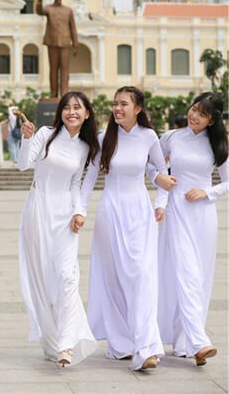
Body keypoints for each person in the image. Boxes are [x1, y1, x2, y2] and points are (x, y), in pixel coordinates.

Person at [79, 86, 172, 371]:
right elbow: (89, 177)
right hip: (111, 211)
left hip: (140, 212)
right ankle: (121, 344)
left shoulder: (148, 137)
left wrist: (162, 201)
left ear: (138, 108)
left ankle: (146, 347)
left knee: (141, 276)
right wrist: (80, 210)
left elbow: (159, 171)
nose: (117, 108)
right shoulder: (104, 137)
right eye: (115, 104)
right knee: (114, 277)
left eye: (124, 104)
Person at [16, 91, 99, 367]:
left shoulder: (85, 147)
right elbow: (23, 164)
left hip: (64, 215)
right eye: (67, 107)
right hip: (38, 210)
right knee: (42, 277)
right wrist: (27, 138)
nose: (71, 112)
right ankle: (52, 342)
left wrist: (79, 211)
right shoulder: (45, 133)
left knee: (67, 275)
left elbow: (76, 183)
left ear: (87, 113)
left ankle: (66, 343)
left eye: (77, 107)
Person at [151, 92, 228, 367]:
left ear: (212, 120)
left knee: (201, 275)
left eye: (202, 113)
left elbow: (228, 182)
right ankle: (200, 341)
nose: (194, 115)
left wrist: (207, 192)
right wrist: (160, 194)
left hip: (204, 215)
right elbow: (154, 167)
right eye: (194, 109)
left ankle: (186, 343)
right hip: (177, 211)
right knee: (186, 272)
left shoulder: (218, 144)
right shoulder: (171, 138)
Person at [36, 0, 78, 99]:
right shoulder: (49, 9)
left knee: (65, 69)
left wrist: (75, 44)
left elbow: (73, 28)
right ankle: (53, 94)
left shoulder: (68, 10)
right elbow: (39, 11)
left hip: (65, 42)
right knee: (53, 69)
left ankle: (64, 94)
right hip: (52, 41)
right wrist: (40, 0)